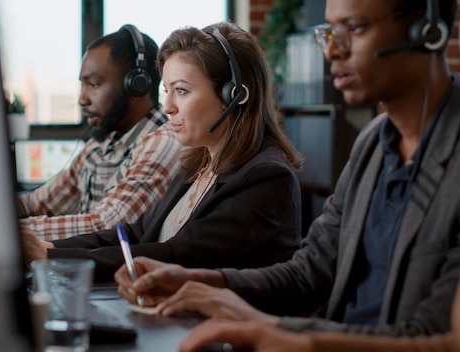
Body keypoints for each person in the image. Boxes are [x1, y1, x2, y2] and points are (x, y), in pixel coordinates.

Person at [116, 0, 460, 341]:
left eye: (355, 28)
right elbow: (308, 275)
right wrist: (198, 282)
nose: (332, 51)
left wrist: (279, 332)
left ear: (425, 30)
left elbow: (436, 336)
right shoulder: (372, 145)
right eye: (330, 32)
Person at [20, 21, 303, 282]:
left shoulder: (265, 177)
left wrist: (53, 258)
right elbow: (133, 234)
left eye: (181, 90)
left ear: (234, 95)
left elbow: (176, 255)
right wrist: (51, 246)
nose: (168, 107)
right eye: (166, 90)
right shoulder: (197, 166)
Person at [17, 25, 182, 241]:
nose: (82, 99)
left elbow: (105, 226)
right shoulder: (101, 144)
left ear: (136, 86)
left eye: (93, 84)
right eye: (83, 85)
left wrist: (12, 232)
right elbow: (37, 203)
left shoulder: (162, 143)